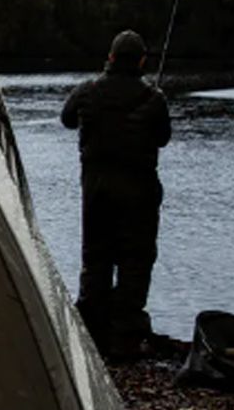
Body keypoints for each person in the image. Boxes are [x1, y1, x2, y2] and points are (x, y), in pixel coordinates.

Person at [61, 30, 171, 360]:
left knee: (95, 260)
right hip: (139, 195)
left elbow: (67, 119)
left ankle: (92, 335)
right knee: (135, 263)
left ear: (110, 58)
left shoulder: (87, 92)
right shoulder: (154, 99)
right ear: (140, 62)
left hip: (96, 193)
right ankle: (124, 338)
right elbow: (163, 138)